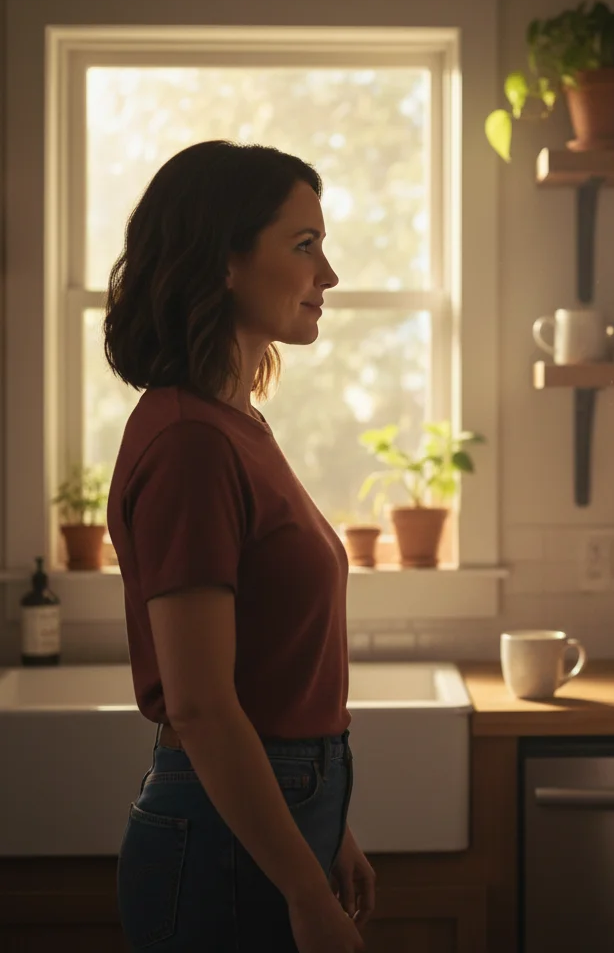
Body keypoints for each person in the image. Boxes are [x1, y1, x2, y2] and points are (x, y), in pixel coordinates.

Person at [104, 140, 374, 953]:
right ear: (222, 262)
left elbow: (268, 678)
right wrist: (305, 889)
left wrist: (329, 835)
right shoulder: (192, 442)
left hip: (272, 815)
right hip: (222, 837)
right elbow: (201, 705)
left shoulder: (235, 424)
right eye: (304, 246)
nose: (327, 276)